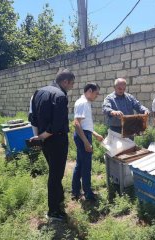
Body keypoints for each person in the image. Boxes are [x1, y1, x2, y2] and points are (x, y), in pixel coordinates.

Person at [30, 69, 75, 222]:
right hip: (56, 140)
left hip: (45, 140)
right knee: (55, 176)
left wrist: (38, 136)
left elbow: (32, 117)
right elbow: (56, 125)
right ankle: (53, 211)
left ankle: (59, 196)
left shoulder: (39, 92)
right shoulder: (60, 96)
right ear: (65, 82)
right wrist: (42, 136)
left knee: (54, 170)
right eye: (72, 83)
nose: (72, 86)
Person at [72, 83, 103, 201]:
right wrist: (86, 142)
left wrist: (95, 134)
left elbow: (84, 124)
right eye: (96, 93)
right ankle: (88, 193)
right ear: (90, 91)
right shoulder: (83, 103)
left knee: (80, 165)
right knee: (86, 166)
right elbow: (77, 123)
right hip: (82, 136)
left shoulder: (85, 102)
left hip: (84, 134)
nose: (97, 96)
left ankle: (75, 191)